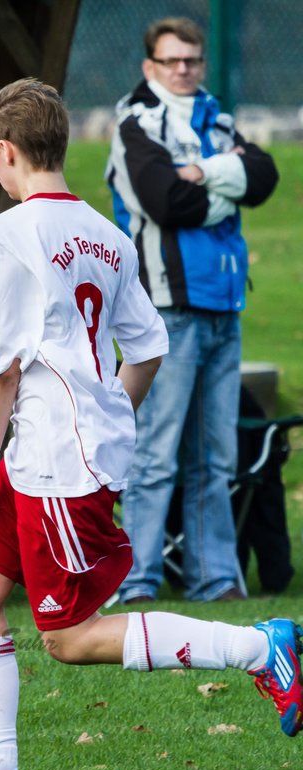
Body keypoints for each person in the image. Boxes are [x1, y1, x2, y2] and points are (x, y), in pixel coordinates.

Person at [0, 79, 301, 770]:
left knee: (70, 638)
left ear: (5, 152)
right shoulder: (107, 234)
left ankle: (259, 646)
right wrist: (107, 413)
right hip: (58, 453)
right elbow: (148, 347)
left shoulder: (1, 236)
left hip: (52, 462)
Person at [107, 17, 279, 604]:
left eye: (193, 60)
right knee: (155, 455)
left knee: (216, 457)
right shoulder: (134, 122)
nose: (184, 69)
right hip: (166, 310)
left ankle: (215, 579)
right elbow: (164, 201)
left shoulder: (217, 114)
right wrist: (223, 187)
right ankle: (135, 582)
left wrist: (206, 172)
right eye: (172, 60)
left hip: (224, 306)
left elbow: (263, 177)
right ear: (149, 66)